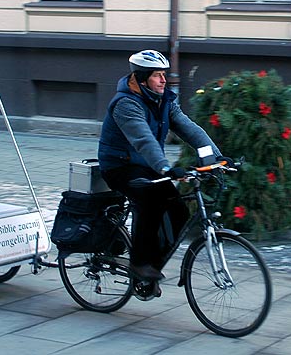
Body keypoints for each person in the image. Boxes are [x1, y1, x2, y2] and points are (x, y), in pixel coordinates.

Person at [98, 49, 229, 285]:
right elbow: (143, 139)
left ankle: (152, 266)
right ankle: (139, 263)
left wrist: (216, 157)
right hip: (120, 166)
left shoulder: (164, 101)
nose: (163, 80)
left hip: (147, 165)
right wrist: (165, 168)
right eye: (157, 75)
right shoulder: (125, 104)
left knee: (179, 211)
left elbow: (189, 128)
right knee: (150, 201)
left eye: (163, 74)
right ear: (141, 78)